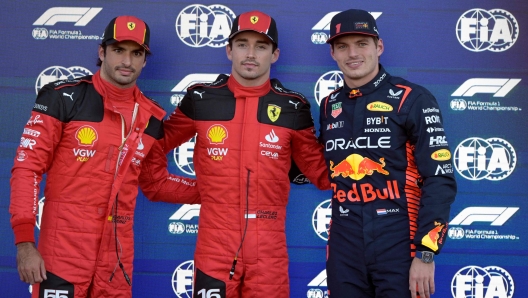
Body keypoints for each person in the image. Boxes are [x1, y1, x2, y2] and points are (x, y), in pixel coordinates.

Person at [10, 15, 199, 298]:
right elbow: (27, 169)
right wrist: (24, 243)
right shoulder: (63, 98)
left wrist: (215, 190)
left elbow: (156, 184)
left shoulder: (151, 117)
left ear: (145, 60)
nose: (127, 61)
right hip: (63, 250)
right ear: (102, 52)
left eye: (136, 53)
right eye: (118, 50)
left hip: (117, 258)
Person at [158, 10, 330, 298]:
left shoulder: (293, 107)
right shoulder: (201, 98)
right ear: (229, 50)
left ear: (274, 55)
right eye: (242, 44)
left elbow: (321, 174)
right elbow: (153, 145)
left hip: (269, 245)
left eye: (261, 46)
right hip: (215, 242)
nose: (250, 54)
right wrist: (187, 189)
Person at [320, 9, 457, 298]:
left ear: (378, 47)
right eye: (342, 46)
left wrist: (426, 252)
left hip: (399, 243)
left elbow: (440, 178)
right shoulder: (328, 104)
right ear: (332, 53)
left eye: (362, 43)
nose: (352, 53)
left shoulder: (412, 98)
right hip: (345, 248)